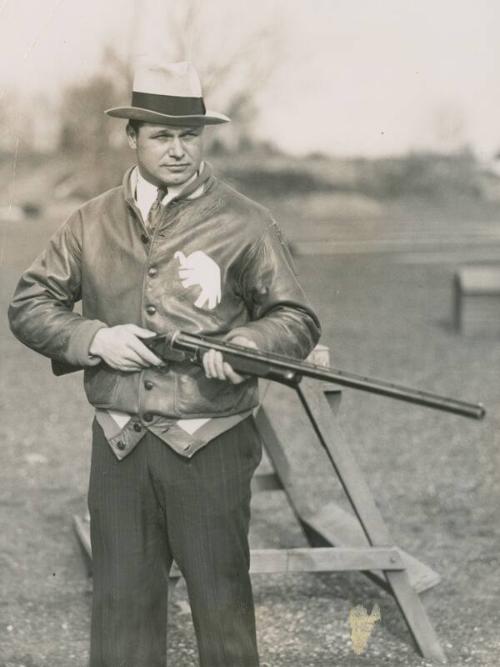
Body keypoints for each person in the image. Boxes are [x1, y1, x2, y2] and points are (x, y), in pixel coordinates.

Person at [8, 60, 321, 667]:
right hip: (119, 445)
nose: (177, 150)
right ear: (132, 138)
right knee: (121, 615)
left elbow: (297, 318)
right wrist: (93, 338)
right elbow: (29, 305)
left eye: (189, 135)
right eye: (160, 135)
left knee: (222, 612)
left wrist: (254, 346)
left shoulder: (247, 221)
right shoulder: (88, 220)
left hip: (212, 441)